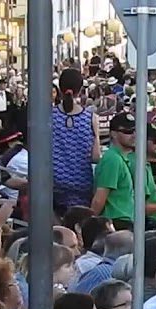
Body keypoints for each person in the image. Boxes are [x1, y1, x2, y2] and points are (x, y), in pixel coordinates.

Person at [91, 112, 156, 231]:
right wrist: (89, 224)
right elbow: (100, 198)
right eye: (128, 131)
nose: (134, 135)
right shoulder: (113, 159)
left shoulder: (120, 158)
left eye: (135, 131)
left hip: (123, 219)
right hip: (116, 220)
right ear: (113, 134)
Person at [52, 68, 101, 214]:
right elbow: (95, 157)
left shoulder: (49, 116)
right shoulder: (90, 118)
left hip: (53, 184)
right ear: (80, 91)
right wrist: (97, 135)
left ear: (59, 89)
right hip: (81, 185)